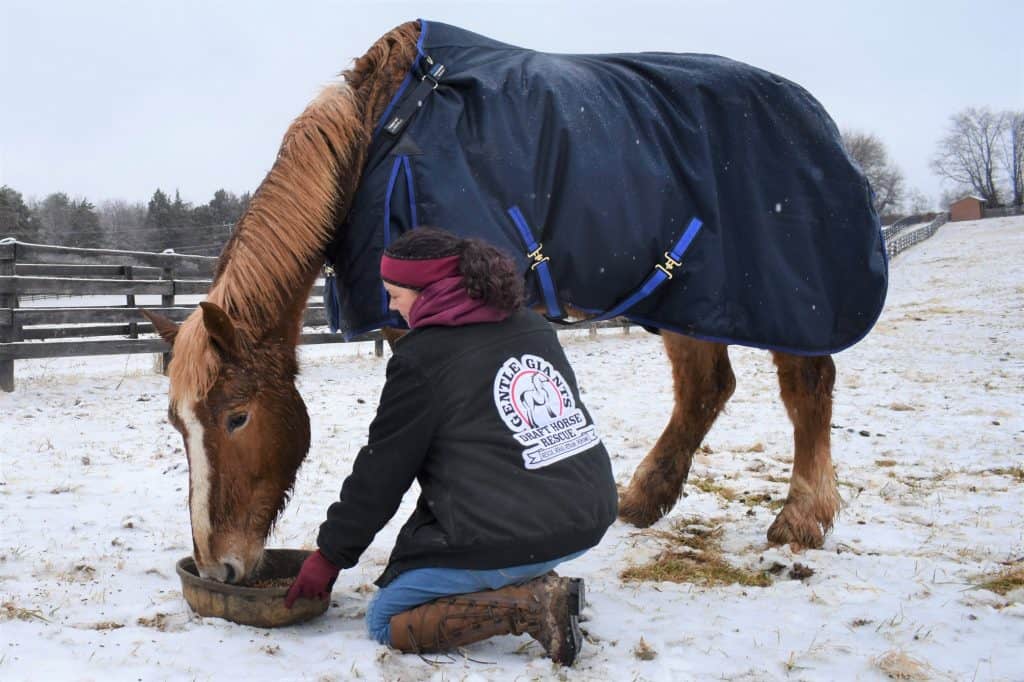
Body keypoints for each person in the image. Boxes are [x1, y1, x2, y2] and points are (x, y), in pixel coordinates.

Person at [285, 227, 618, 666]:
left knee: (385, 618)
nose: (391, 307)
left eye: (395, 294)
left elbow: (382, 473)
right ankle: (528, 568)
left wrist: (330, 557)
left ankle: (532, 605)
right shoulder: (532, 326)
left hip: (520, 530)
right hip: (587, 516)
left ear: (431, 291)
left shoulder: (421, 358)